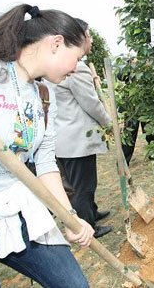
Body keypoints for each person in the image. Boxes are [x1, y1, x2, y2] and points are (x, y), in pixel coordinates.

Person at [0, 4, 93, 287]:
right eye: (77, 58)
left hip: (18, 217)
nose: (76, 67)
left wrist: (70, 216)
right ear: (56, 43)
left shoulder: (43, 94)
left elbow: (46, 162)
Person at [54, 19, 113, 239]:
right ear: (80, 38)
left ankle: (92, 212)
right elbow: (91, 103)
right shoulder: (76, 69)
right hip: (77, 141)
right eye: (89, 35)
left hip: (65, 139)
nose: (92, 39)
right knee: (82, 186)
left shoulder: (60, 66)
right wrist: (110, 124)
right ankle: (88, 225)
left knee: (80, 183)